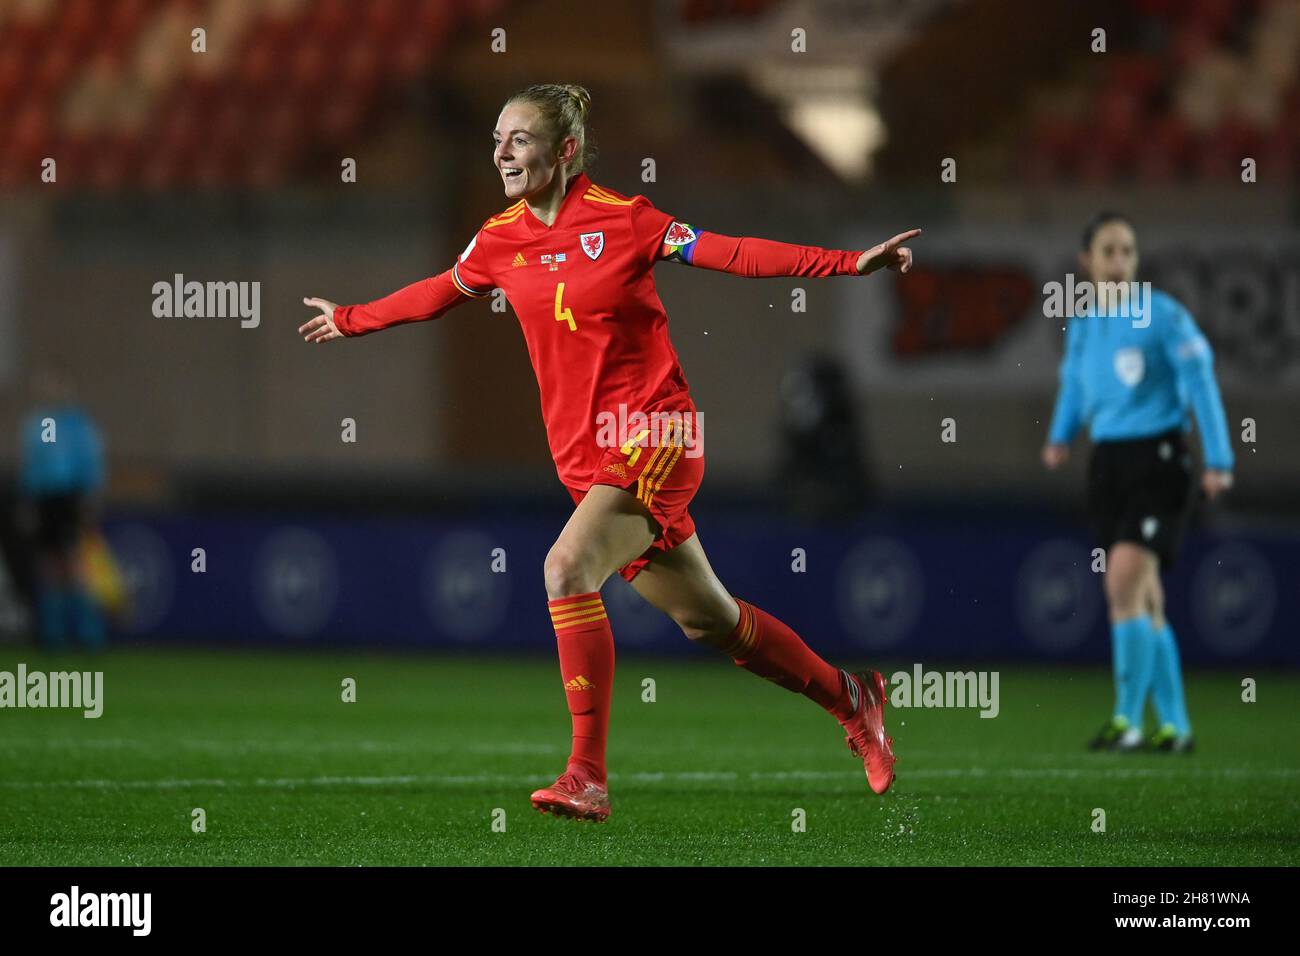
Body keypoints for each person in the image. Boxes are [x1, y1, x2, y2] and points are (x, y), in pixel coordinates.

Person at [301, 83, 920, 819]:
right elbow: (438, 291)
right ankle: (853, 699)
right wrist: (350, 318)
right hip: (587, 463)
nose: (501, 152)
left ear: (565, 151)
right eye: (497, 138)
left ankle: (585, 773)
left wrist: (845, 264)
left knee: (565, 568)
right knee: (711, 622)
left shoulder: (627, 221)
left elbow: (732, 252)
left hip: (660, 434)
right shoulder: (500, 238)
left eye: (519, 139)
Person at [1043, 212, 1234, 753]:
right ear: (1087, 262)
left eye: (1128, 250)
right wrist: (1060, 436)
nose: (1120, 262)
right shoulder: (1083, 325)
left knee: (1122, 582)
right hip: (1109, 463)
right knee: (1146, 598)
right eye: (1109, 251)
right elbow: (1075, 388)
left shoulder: (1163, 316)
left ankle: (1126, 719)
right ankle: (1176, 727)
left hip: (1161, 460)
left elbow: (1201, 380)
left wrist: (1218, 458)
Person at [18, 366, 108, 649]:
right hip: (45, 501)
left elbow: (91, 463)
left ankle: (88, 635)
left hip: (70, 498)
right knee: (48, 567)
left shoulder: (79, 426)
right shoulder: (34, 425)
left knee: (74, 565)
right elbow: (31, 466)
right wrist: (29, 502)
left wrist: (89, 499)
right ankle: (51, 636)